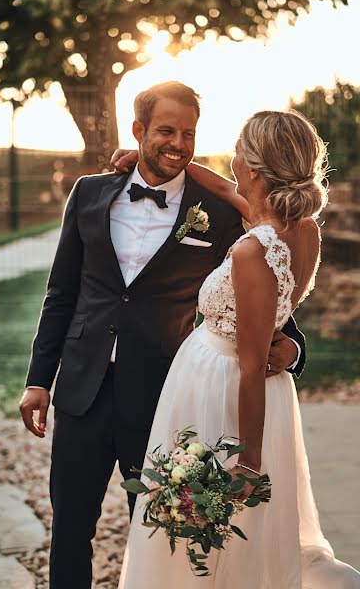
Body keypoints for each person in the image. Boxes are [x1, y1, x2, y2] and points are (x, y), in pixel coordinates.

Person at [19, 82, 305, 589]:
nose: (177, 143)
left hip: (162, 397)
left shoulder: (219, 212)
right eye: (165, 131)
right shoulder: (89, 194)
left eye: (188, 133)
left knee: (163, 534)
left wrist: (293, 346)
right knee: (69, 529)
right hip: (81, 390)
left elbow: (269, 280)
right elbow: (61, 293)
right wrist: (39, 380)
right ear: (138, 131)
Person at [115, 110, 360, 588]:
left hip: (223, 393)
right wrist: (165, 164)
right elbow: (225, 190)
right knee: (232, 529)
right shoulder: (300, 228)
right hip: (243, 386)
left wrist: (248, 462)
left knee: (215, 523)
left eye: (238, 149)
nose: (231, 160)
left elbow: (251, 367)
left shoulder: (254, 250)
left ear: (253, 166)